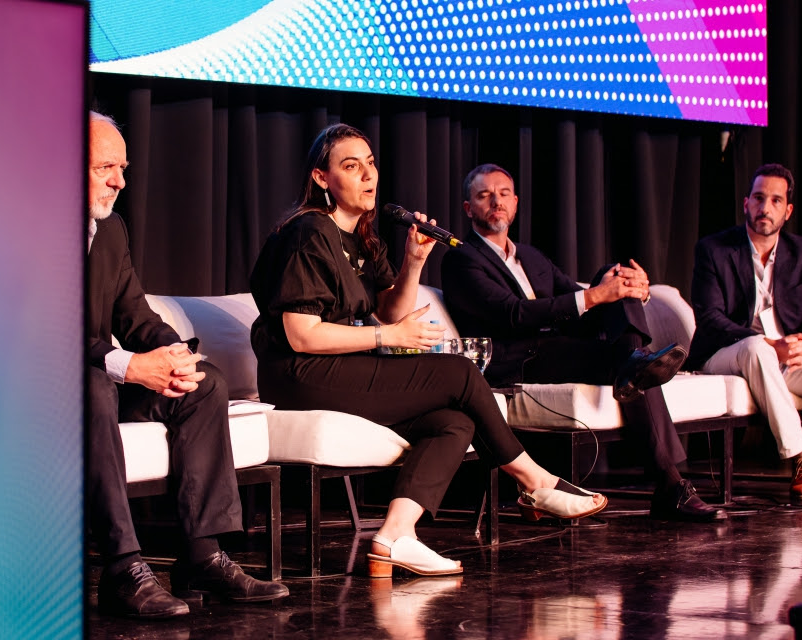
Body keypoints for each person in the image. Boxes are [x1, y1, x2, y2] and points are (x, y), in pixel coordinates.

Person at [249, 124, 607, 579]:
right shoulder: (308, 232)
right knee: (459, 373)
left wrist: (414, 261)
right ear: (322, 178)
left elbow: (389, 310)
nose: (368, 175)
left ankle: (395, 535)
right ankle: (534, 480)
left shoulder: (361, 235)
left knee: (453, 421)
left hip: (339, 366)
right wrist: (387, 338)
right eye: (351, 166)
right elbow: (302, 335)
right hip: (298, 372)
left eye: (370, 163)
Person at [86, 111, 288, 619]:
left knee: (204, 384)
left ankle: (202, 556)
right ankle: (122, 567)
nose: (119, 182)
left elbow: (134, 315)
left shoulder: (110, 230)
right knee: (92, 385)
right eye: (105, 167)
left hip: (99, 376)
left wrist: (177, 356)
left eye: (123, 168)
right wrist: (129, 366)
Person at [440, 163, 726, 522]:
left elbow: (578, 298)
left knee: (613, 277)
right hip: (519, 360)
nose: (496, 201)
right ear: (469, 209)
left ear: (515, 203)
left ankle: (635, 359)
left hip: (560, 348)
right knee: (627, 357)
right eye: (484, 195)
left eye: (503, 194)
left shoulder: (531, 256)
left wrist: (628, 287)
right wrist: (597, 295)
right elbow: (513, 314)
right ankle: (670, 483)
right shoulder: (461, 259)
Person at [688, 163, 802, 505]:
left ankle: (776, 371)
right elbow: (709, 319)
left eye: (775, 200)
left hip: (787, 364)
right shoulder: (714, 249)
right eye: (758, 198)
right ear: (746, 203)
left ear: (788, 210)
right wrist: (771, 346)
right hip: (728, 355)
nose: (765, 208)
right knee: (756, 348)